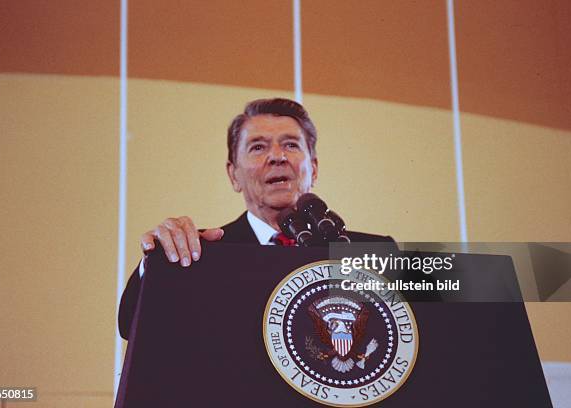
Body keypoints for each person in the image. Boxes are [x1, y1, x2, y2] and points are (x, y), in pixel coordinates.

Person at [118, 98, 393, 340]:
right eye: (258, 147)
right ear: (233, 174)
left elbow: (433, 319)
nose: (277, 156)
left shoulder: (374, 253)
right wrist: (159, 260)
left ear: (314, 168)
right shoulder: (201, 254)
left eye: (291, 144)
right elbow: (130, 324)